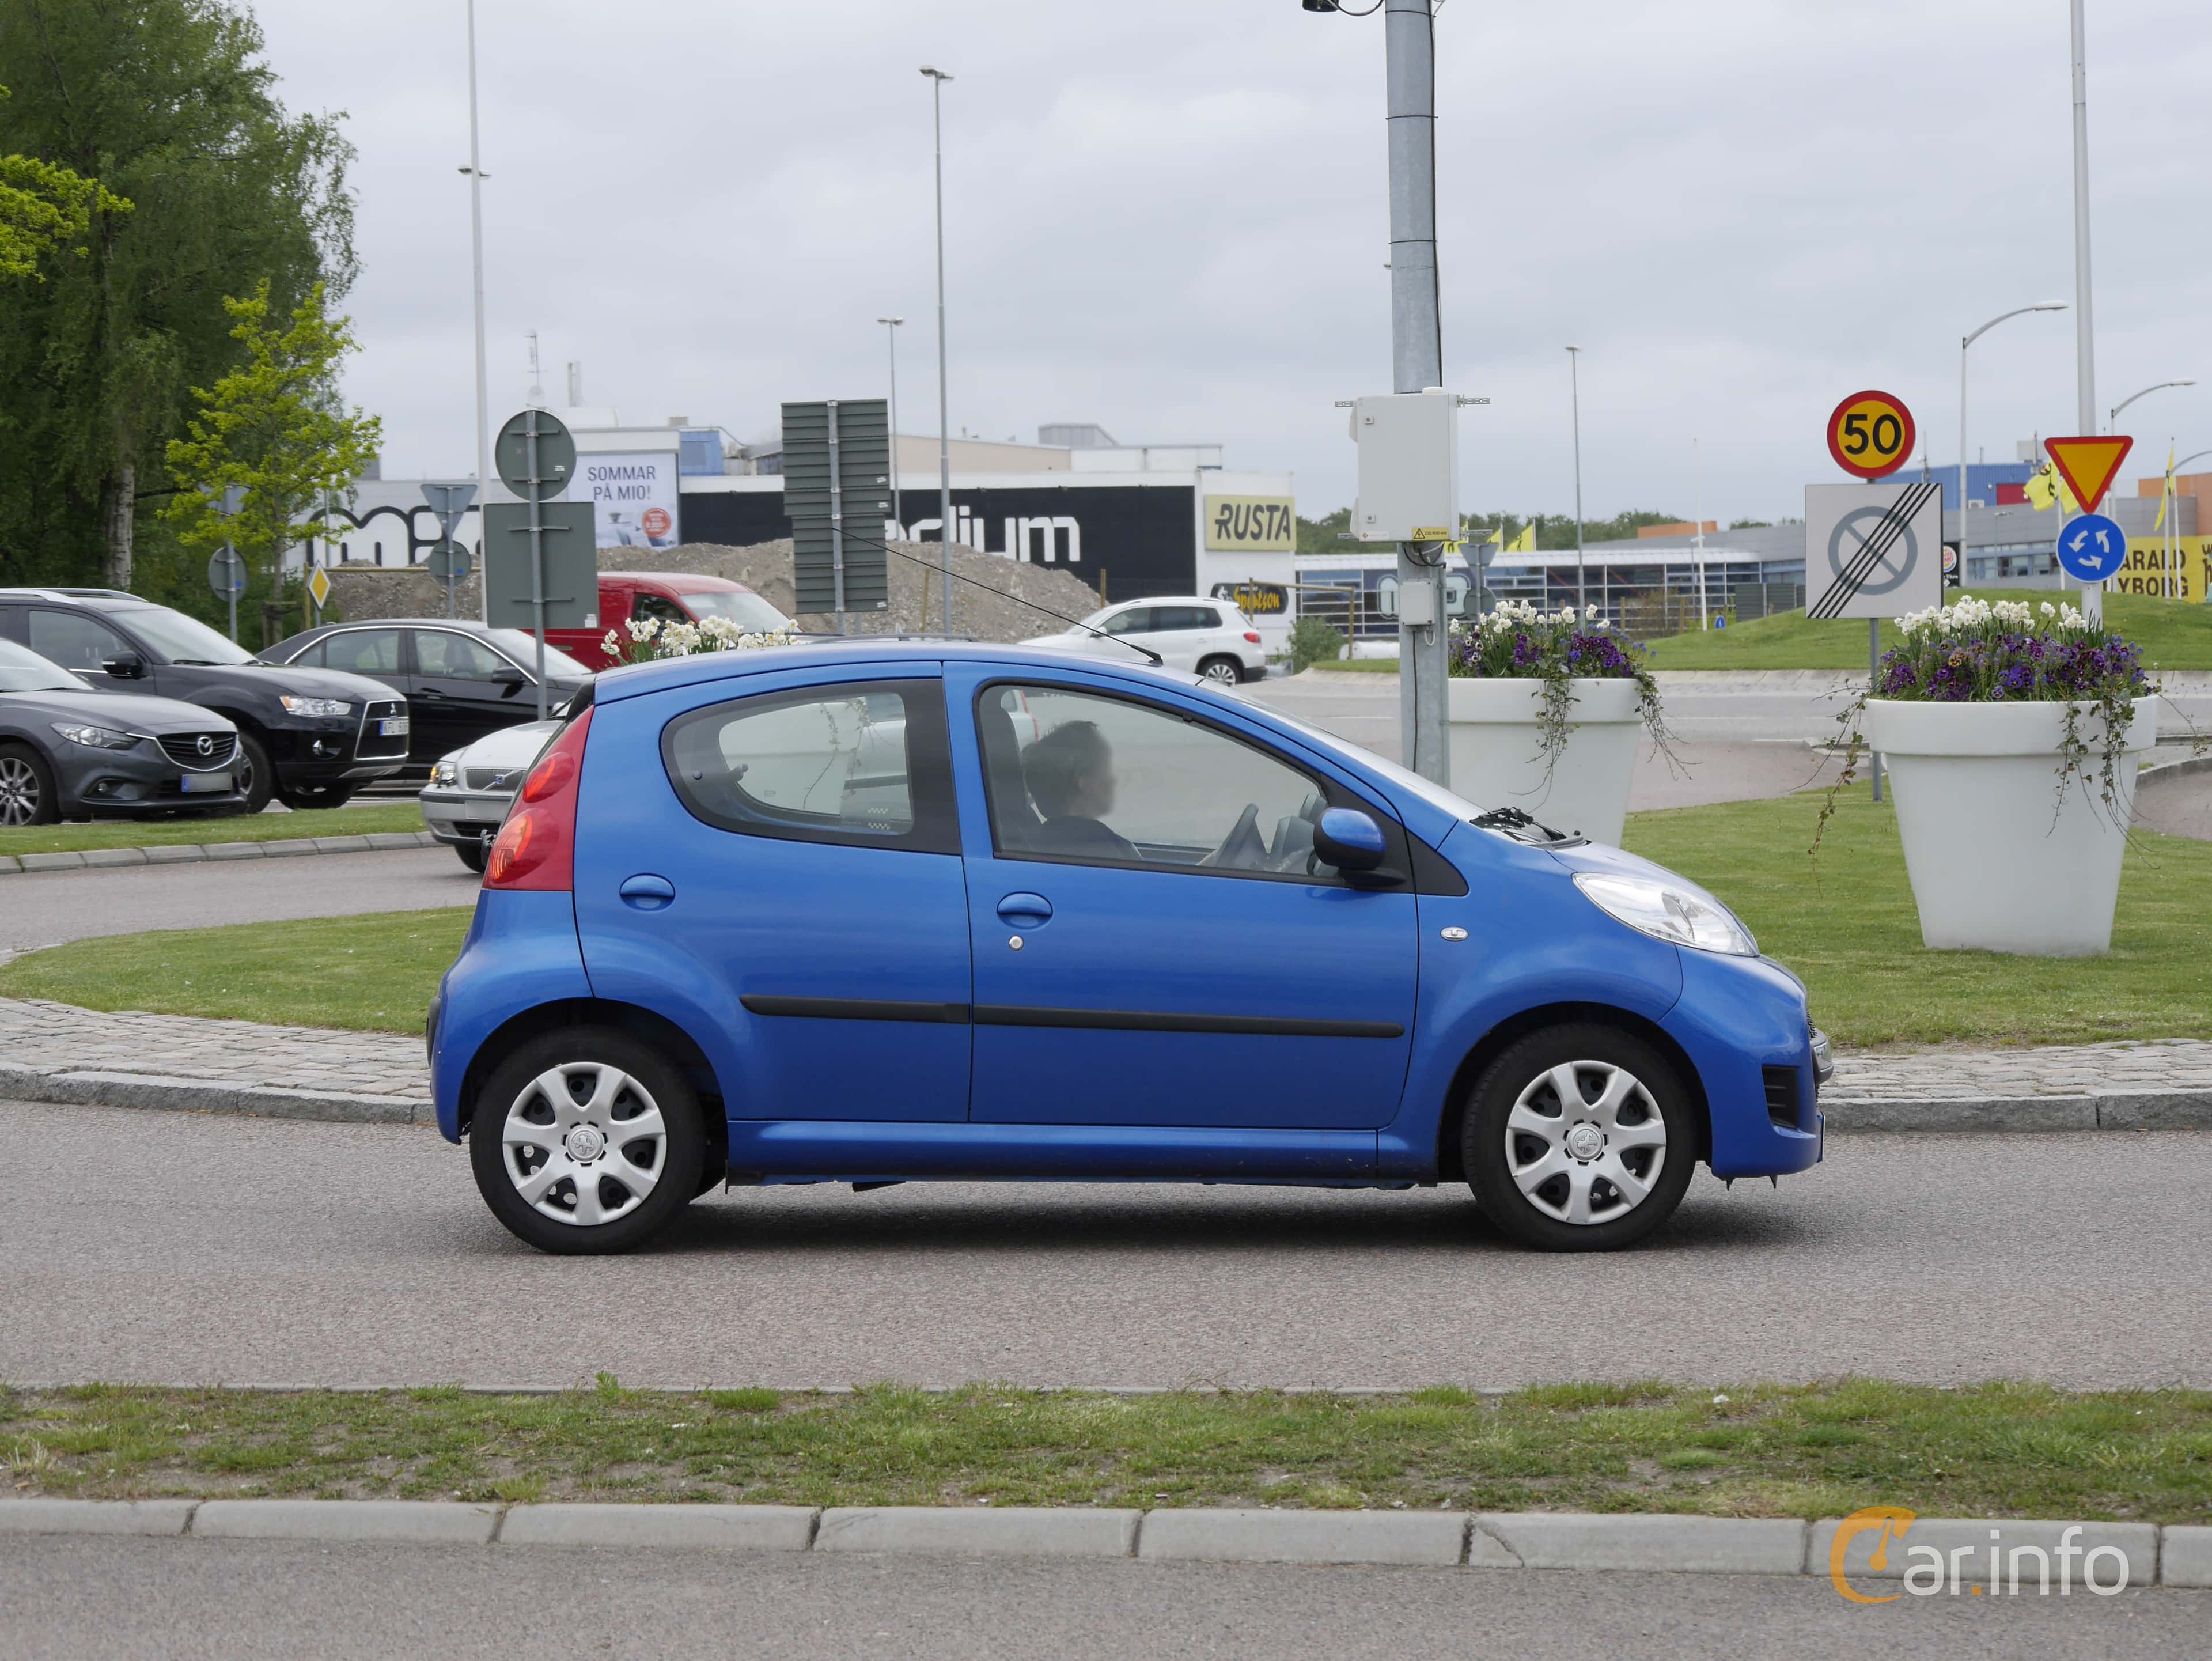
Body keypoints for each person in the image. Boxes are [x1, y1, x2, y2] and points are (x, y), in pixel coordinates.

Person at [1020, 720, 1143, 861]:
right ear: (1084, 784)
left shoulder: (1034, 845)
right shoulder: (1112, 849)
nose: (1113, 780)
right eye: (1107, 770)